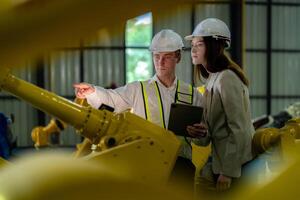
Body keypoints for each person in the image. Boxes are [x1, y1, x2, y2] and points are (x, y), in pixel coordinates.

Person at [74, 29, 202, 191]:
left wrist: (201, 135)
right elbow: (111, 99)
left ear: (178, 57)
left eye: (167, 57)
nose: (160, 62)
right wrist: (92, 91)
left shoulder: (193, 94)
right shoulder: (138, 89)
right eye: (156, 56)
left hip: (182, 168)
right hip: (148, 165)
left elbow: (203, 138)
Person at [185, 18, 254, 197]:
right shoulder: (212, 79)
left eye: (199, 44)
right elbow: (211, 134)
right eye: (192, 45)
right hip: (220, 163)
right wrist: (199, 132)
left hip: (234, 168)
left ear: (214, 46)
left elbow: (239, 129)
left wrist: (228, 172)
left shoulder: (226, 78)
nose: (193, 49)